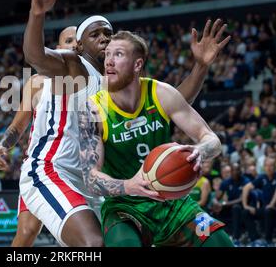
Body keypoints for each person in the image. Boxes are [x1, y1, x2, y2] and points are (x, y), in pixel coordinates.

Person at [21, 0, 230, 246]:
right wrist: (38, 13)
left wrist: (201, 67)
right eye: (96, 35)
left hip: (99, 181)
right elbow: (35, 56)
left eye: (109, 35)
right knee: (74, 242)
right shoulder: (75, 66)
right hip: (58, 168)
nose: (105, 40)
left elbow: (176, 103)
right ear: (80, 47)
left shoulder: (132, 84)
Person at [78, 30, 233, 246]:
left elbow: (211, 140)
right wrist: (128, 185)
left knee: (221, 242)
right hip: (125, 207)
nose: (109, 62)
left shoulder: (161, 93)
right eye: (108, 54)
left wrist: (200, 151)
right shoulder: (92, 109)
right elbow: (90, 177)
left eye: (119, 54)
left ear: (137, 65)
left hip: (173, 204)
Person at [0, 26, 77, 247]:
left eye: (78, 41)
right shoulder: (38, 82)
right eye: (69, 41)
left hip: (79, 168)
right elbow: (19, 124)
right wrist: (4, 145)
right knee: (27, 231)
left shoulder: (96, 81)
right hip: (43, 167)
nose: (75, 44)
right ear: (58, 50)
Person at [242, 157, 276, 246]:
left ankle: (268, 240)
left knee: (268, 211)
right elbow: (246, 188)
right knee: (246, 212)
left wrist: (271, 204)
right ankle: (255, 238)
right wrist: (245, 205)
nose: (269, 168)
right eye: (266, 166)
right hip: (266, 208)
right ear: (264, 167)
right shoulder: (262, 177)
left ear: (275, 167)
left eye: (271, 166)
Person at [218, 163, 250, 245]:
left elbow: (242, 198)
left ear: (240, 171)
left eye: (237, 170)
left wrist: (225, 203)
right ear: (231, 172)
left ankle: (236, 237)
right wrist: (215, 203)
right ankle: (221, 236)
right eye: (233, 170)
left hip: (243, 205)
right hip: (228, 206)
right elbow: (217, 196)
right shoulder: (227, 181)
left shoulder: (246, 181)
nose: (235, 172)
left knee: (236, 208)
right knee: (216, 210)